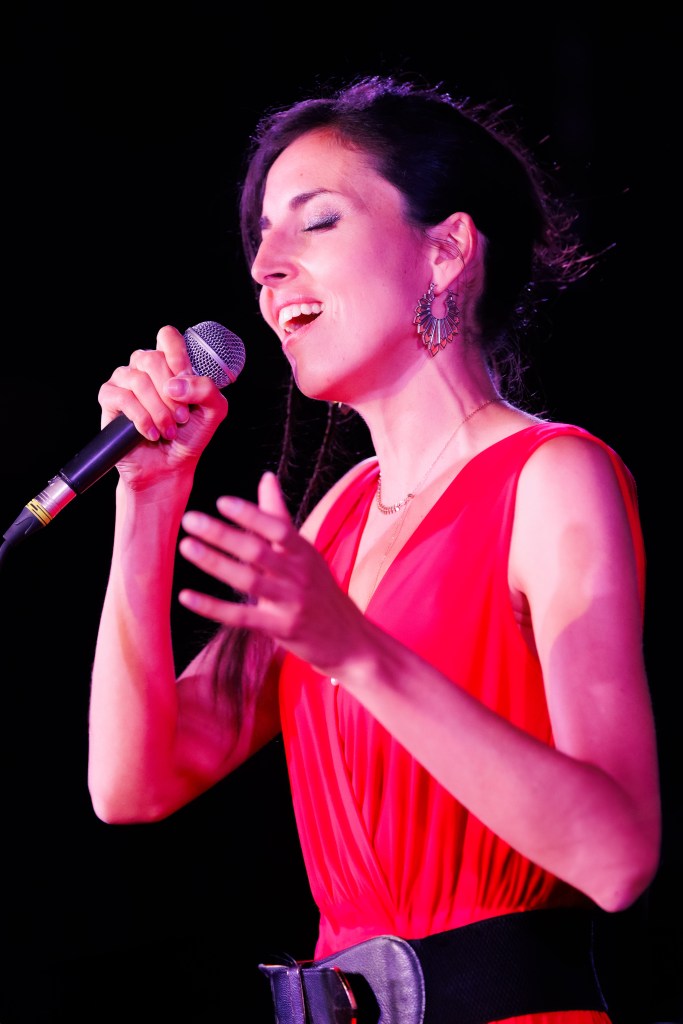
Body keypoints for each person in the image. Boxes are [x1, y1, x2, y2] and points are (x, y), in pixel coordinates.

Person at [87, 74, 661, 1023]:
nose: (265, 266)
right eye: (260, 238)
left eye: (315, 222)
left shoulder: (553, 476)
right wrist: (147, 498)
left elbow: (617, 855)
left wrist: (353, 648)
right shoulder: (342, 515)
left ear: (444, 251)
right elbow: (131, 781)